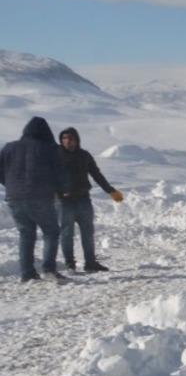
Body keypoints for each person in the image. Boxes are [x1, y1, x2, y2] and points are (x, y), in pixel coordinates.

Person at [0, 117, 66, 282]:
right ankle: (49, 269)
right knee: (51, 232)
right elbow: (60, 172)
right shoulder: (50, 148)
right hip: (41, 197)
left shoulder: (9, 147)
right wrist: (60, 191)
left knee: (26, 234)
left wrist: (11, 186)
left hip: (14, 198)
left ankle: (27, 273)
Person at [57, 127, 123, 272]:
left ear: (76, 140)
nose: (67, 141)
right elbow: (47, 177)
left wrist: (110, 191)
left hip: (83, 200)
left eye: (71, 138)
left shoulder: (84, 155)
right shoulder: (55, 155)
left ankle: (90, 263)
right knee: (66, 233)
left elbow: (96, 174)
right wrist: (56, 194)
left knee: (87, 232)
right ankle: (70, 263)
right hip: (64, 201)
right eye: (64, 138)